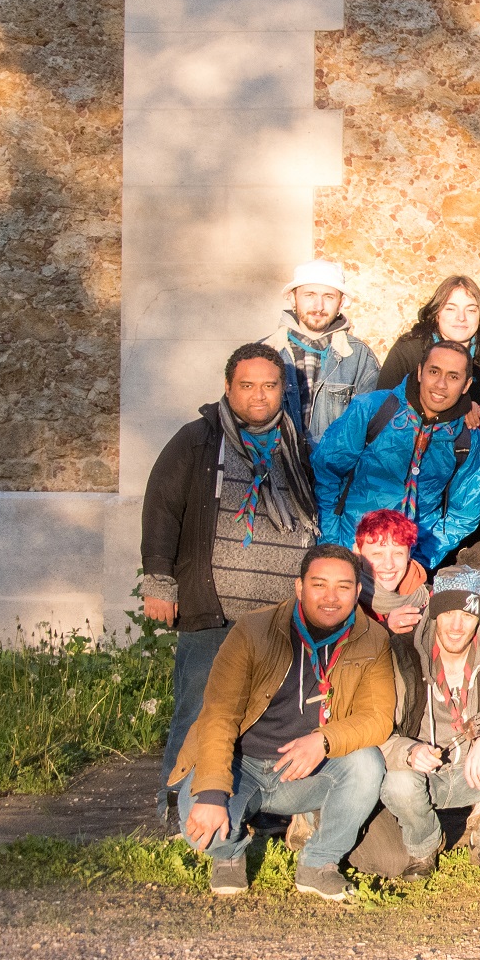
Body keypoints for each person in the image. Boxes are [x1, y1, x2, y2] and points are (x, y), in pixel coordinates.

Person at [141, 343, 321, 817]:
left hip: (279, 619)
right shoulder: (198, 439)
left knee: (263, 715)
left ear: (284, 389)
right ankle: (173, 808)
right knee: (198, 709)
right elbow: (162, 507)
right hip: (212, 610)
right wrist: (159, 581)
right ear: (227, 387)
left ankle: (249, 806)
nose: (258, 396)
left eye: (269, 385)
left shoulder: (299, 445)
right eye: (247, 385)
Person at [171, 545, 393, 901]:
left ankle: (319, 863)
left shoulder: (372, 639)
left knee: (367, 763)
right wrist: (212, 792)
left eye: (344, 587)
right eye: (319, 585)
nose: (331, 598)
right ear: (299, 587)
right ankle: (229, 854)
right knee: (203, 830)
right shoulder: (253, 630)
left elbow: (377, 717)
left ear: (357, 591)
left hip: (306, 770)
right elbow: (219, 713)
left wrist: (322, 741)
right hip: (243, 766)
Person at [375, 566, 480, 876]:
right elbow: (375, 727)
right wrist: (408, 751)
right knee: (397, 781)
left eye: (468, 615)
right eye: (447, 614)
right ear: (434, 613)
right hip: (425, 776)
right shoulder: (403, 652)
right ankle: (424, 846)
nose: (457, 626)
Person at [315, 341, 480, 567]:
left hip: (408, 561)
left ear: (466, 385)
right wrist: (334, 545)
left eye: (453, 377)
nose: (440, 384)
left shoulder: (467, 438)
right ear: (420, 372)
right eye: (434, 371)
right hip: (351, 551)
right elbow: (327, 470)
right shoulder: (373, 409)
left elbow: (465, 513)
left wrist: (421, 560)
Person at [262, 260, 381, 445]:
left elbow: (372, 429)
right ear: (293, 299)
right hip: (275, 469)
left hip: (333, 472)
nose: (319, 306)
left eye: (329, 297)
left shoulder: (359, 358)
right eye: (309, 295)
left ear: (341, 303)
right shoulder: (263, 353)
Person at [376, 274, 480, 400]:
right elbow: (383, 404)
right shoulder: (408, 349)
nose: (461, 318)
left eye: (471, 310)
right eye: (450, 309)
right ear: (436, 313)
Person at [354, 508, 429, 632]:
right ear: (358, 553)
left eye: (398, 553)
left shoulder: (428, 598)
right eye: (377, 554)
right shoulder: (345, 602)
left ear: (409, 553)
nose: (389, 565)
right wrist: (385, 629)